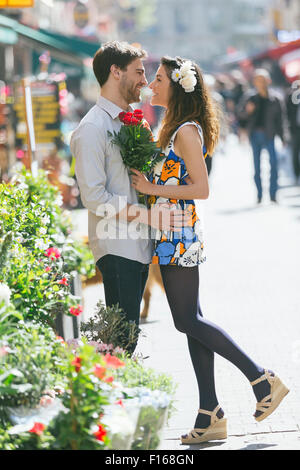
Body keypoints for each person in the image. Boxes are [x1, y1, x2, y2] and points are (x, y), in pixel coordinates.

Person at [130, 56, 289, 444]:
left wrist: (153, 189)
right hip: (170, 233)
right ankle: (210, 413)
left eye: (160, 77)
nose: (153, 82)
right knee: (191, 320)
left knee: (187, 321)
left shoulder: (186, 130)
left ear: (177, 86)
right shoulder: (173, 128)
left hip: (179, 234)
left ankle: (261, 378)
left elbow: (201, 189)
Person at [70, 41, 189, 354]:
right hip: (116, 245)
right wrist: (149, 216)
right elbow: (94, 197)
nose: (145, 80)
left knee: (125, 342)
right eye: (139, 72)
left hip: (138, 243)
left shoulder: (132, 121)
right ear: (115, 72)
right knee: (120, 343)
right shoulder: (92, 128)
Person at [239, 69, 285, 204]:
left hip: (270, 134)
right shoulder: (250, 97)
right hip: (255, 135)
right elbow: (240, 114)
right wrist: (248, 111)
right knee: (257, 166)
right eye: (257, 80)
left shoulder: (275, 99)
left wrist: (283, 138)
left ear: (268, 81)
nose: (260, 83)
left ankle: (273, 194)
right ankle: (259, 195)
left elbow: (281, 120)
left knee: (274, 164)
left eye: (263, 80)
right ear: (254, 82)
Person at [286, 78, 300, 184]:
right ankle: (296, 175)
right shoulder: (291, 96)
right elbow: (287, 113)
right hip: (295, 129)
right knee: (295, 152)